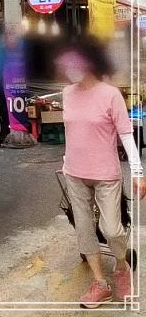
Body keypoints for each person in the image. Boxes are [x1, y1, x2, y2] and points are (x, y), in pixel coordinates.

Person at [56, 38, 146, 309]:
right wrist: (67, 159)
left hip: (106, 174)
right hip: (74, 173)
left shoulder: (111, 94)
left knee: (111, 229)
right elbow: (73, 130)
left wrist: (138, 171)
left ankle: (121, 265)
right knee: (83, 229)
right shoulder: (66, 93)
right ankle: (100, 284)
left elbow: (126, 134)